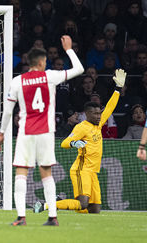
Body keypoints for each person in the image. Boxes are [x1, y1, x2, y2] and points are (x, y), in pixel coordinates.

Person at [0, 35, 84, 226]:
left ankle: (21, 217)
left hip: (26, 132)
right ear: (43, 62)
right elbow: (79, 69)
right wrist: (68, 49)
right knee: (46, 172)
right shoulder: (50, 76)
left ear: (29, 62)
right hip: (46, 132)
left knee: (21, 171)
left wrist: (2, 133)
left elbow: (8, 111)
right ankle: (52, 217)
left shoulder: (17, 81)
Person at [33, 69, 127, 214]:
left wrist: (118, 89)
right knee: (82, 204)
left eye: (99, 113)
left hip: (92, 172)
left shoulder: (99, 122)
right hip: (81, 170)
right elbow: (64, 143)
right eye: (95, 114)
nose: (98, 116)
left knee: (94, 210)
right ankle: (47, 204)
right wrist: (74, 143)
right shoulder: (81, 127)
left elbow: (110, 107)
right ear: (87, 114)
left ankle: (60, 202)